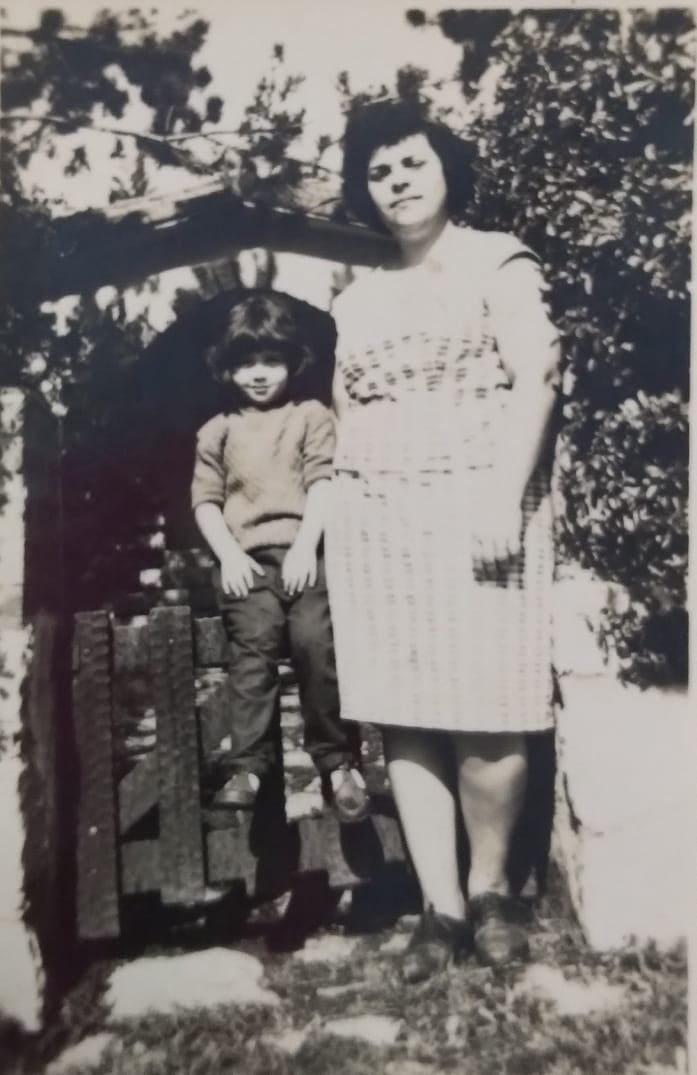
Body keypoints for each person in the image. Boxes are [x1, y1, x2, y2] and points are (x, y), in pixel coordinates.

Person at [326, 100, 560, 977]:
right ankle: (440, 909)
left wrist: (503, 498)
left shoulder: (495, 258)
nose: (396, 181)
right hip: (380, 521)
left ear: (446, 169)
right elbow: (349, 414)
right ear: (366, 190)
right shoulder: (357, 298)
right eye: (379, 171)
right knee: (408, 717)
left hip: (479, 510)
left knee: (492, 709)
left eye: (411, 163)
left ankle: (493, 887)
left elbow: (537, 376)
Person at [191, 290, 369, 824]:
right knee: (254, 655)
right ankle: (248, 767)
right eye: (246, 363)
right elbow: (204, 502)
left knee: (317, 645)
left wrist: (307, 547)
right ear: (228, 369)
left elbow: (323, 485)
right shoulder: (217, 430)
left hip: (304, 559)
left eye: (271, 360)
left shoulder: (311, 416)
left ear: (292, 362)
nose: (260, 373)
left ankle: (338, 765)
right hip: (248, 564)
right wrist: (228, 555)